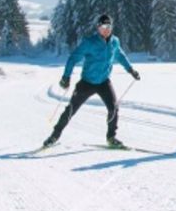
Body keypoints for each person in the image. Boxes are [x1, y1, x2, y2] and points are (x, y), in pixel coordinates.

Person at [43, 14, 140, 148]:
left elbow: (120, 56)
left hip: (104, 82)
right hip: (86, 83)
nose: (107, 29)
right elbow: (73, 58)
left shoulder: (114, 42)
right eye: (104, 26)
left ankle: (111, 138)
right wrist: (66, 77)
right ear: (98, 27)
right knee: (71, 110)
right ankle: (54, 136)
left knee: (113, 108)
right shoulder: (89, 42)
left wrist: (131, 70)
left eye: (109, 26)